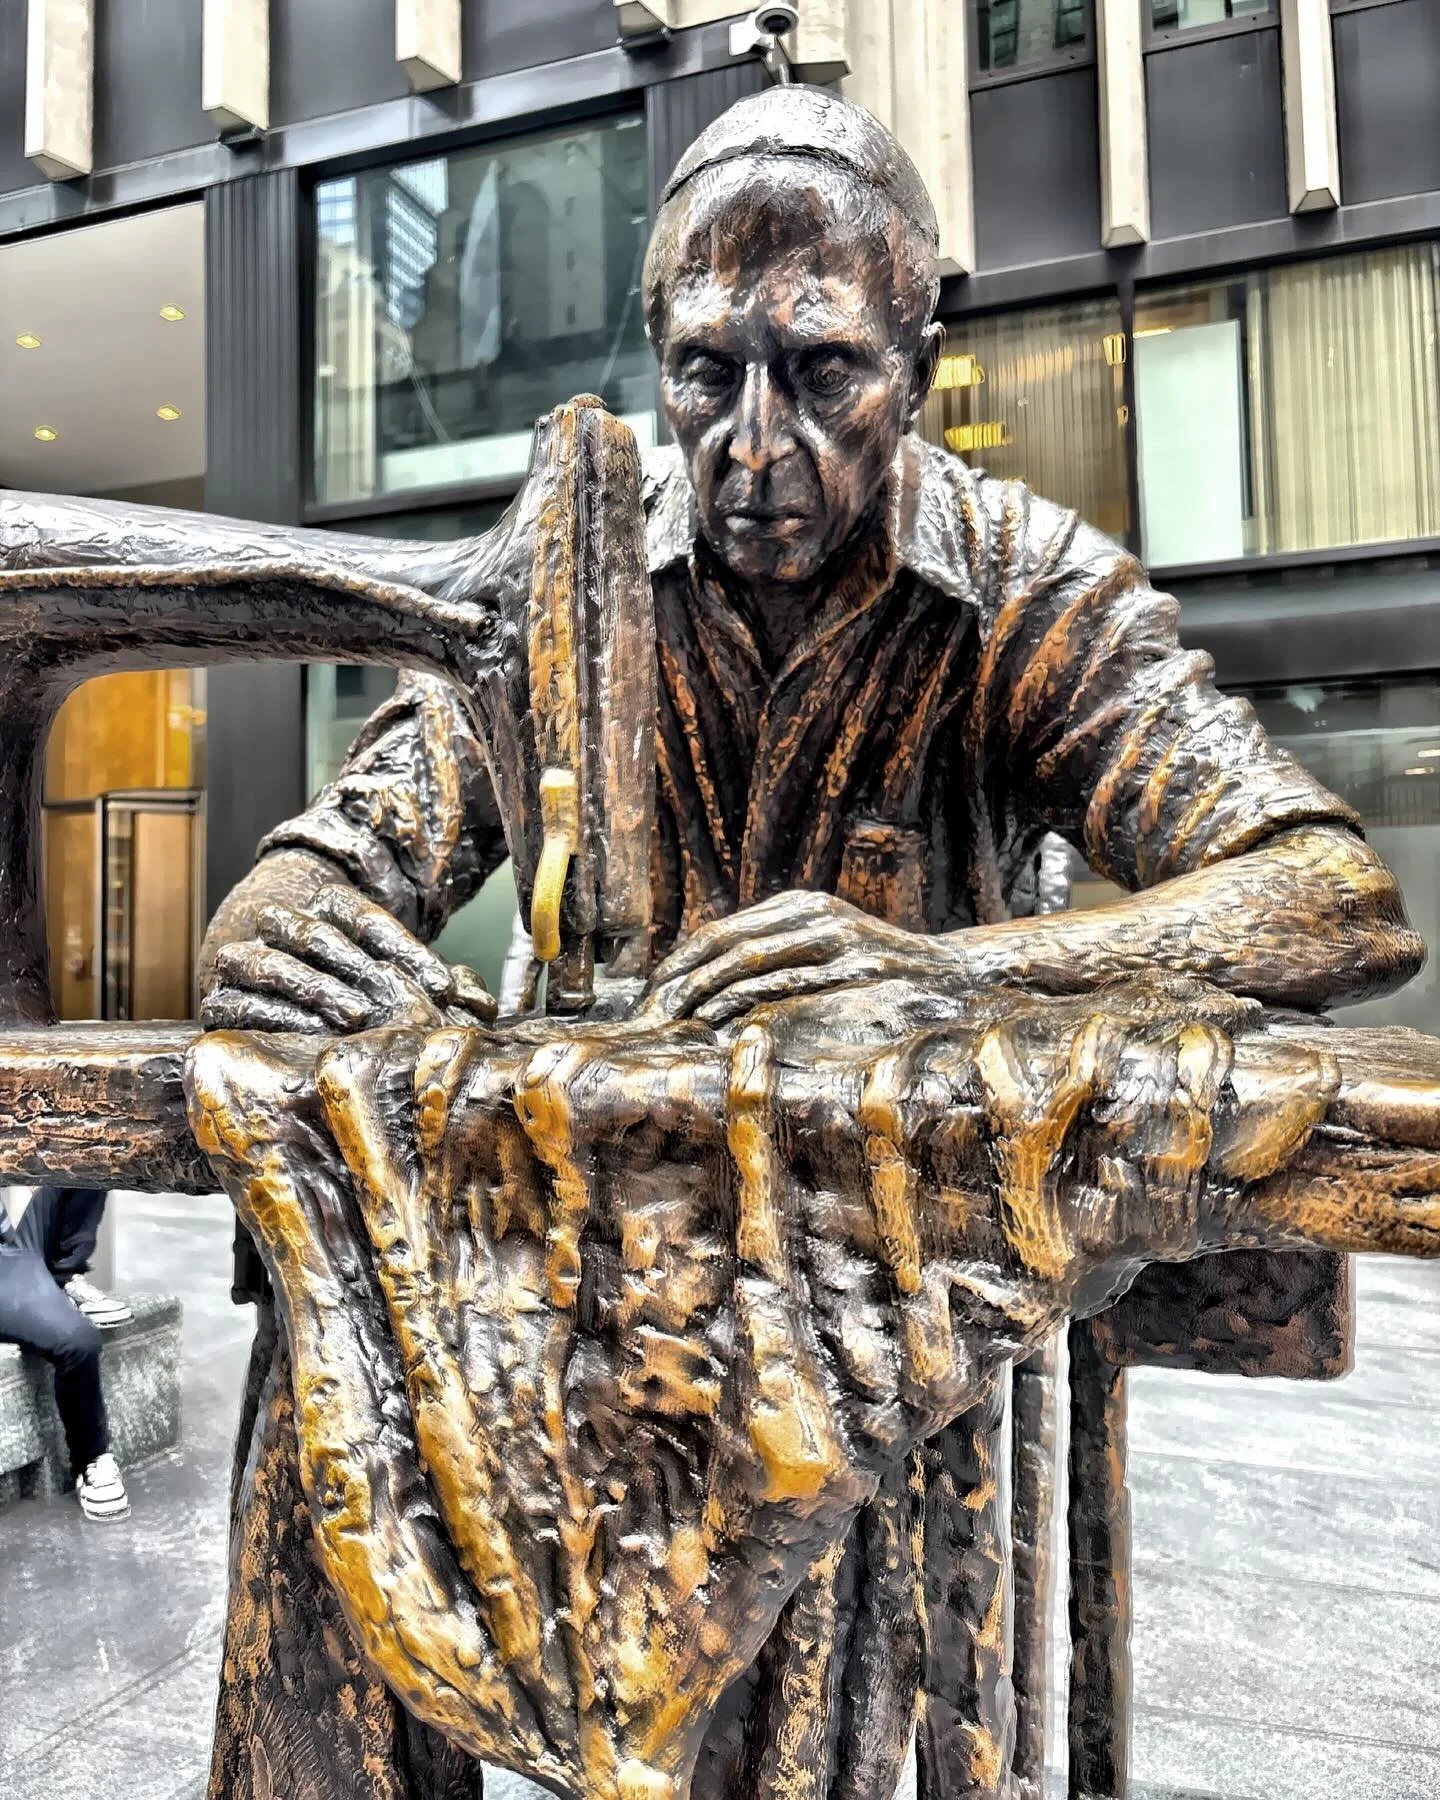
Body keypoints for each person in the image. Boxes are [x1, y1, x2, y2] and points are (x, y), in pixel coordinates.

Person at [142, 82, 1421, 1797]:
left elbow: (1328, 894)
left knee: (804, 1554)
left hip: (863, 1307)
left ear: (921, 349)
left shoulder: (1026, 592)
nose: (753, 443)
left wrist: (946, 975)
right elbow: (322, 867)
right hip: (573, 1270)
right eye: (703, 371)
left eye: (823, 375)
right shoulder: (570, 588)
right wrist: (300, 922)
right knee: (335, 1388)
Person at [0, 1187, 131, 1521]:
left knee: (87, 1160)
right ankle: (92, 1459)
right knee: (78, 1339)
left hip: (15, 1249)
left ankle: (65, 1276)